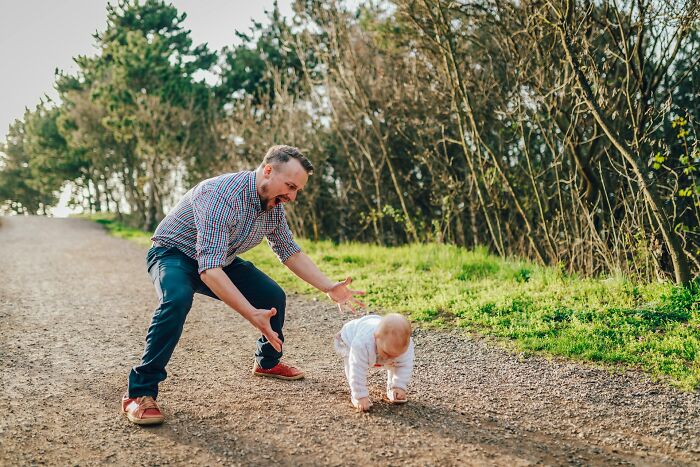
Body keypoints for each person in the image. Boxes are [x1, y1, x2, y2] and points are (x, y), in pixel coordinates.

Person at [121, 145, 366, 425]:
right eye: (290, 186)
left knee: (272, 295)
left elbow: (289, 251)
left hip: (219, 258)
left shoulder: (272, 205)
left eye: (297, 190)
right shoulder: (219, 196)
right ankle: (138, 393)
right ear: (268, 170)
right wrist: (251, 313)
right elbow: (209, 271)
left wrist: (328, 286)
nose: (293, 196)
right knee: (176, 299)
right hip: (173, 254)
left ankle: (267, 362)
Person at [334, 313, 414, 412]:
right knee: (352, 363)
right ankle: (355, 396)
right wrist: (360, 395)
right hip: (348, 340)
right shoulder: (362, 343)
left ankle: (393, 388)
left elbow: (404, 366)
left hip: (373, 333)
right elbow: (357, 369)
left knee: (395, 363)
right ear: (376, 337)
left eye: (395, 355)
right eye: (386, 353)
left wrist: (399, 386)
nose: (390, 358)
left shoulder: (404, 346)